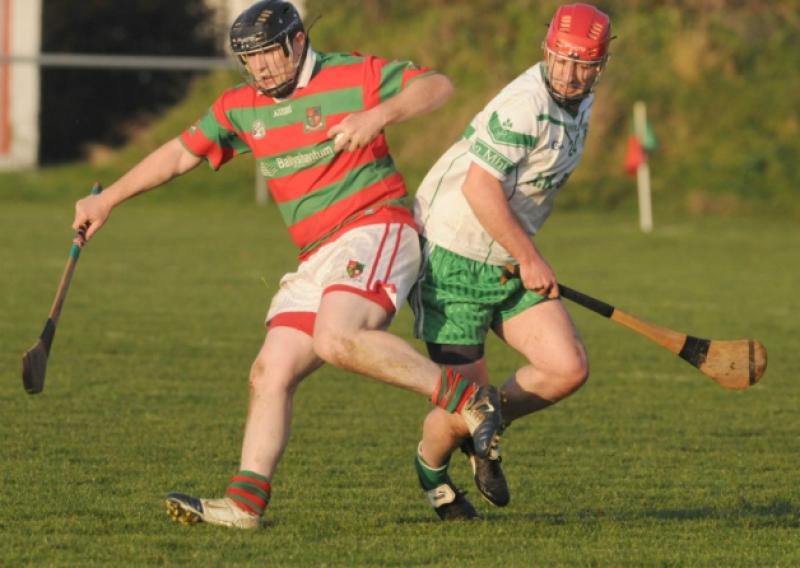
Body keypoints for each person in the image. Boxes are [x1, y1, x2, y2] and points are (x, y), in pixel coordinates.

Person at [72, 0, 503, 529]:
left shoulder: (351, 73)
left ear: (297, 42)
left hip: (374, 227)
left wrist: (377, 115)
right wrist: (107, 199)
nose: (261, 69)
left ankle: (468, 399)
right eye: (249, 59)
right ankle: (246, 504)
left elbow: (437, 85)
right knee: (269, 371)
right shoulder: (240, 106)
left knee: (336, 338)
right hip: (316, 253)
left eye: (269, 54)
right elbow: (182, 153)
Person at [410, 3, 612, 520]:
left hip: (506, 255)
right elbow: (481, 187)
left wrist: (521, 254)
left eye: (582, 64)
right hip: (452, 256)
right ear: (546, 51)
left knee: (566, 368)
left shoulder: (580, 104)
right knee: (461, 402)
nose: (568, 74)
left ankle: (486, 427)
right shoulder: (525, 104)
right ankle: (432, 473)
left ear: (599, 66)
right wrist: (530, 256)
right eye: (560, 60)